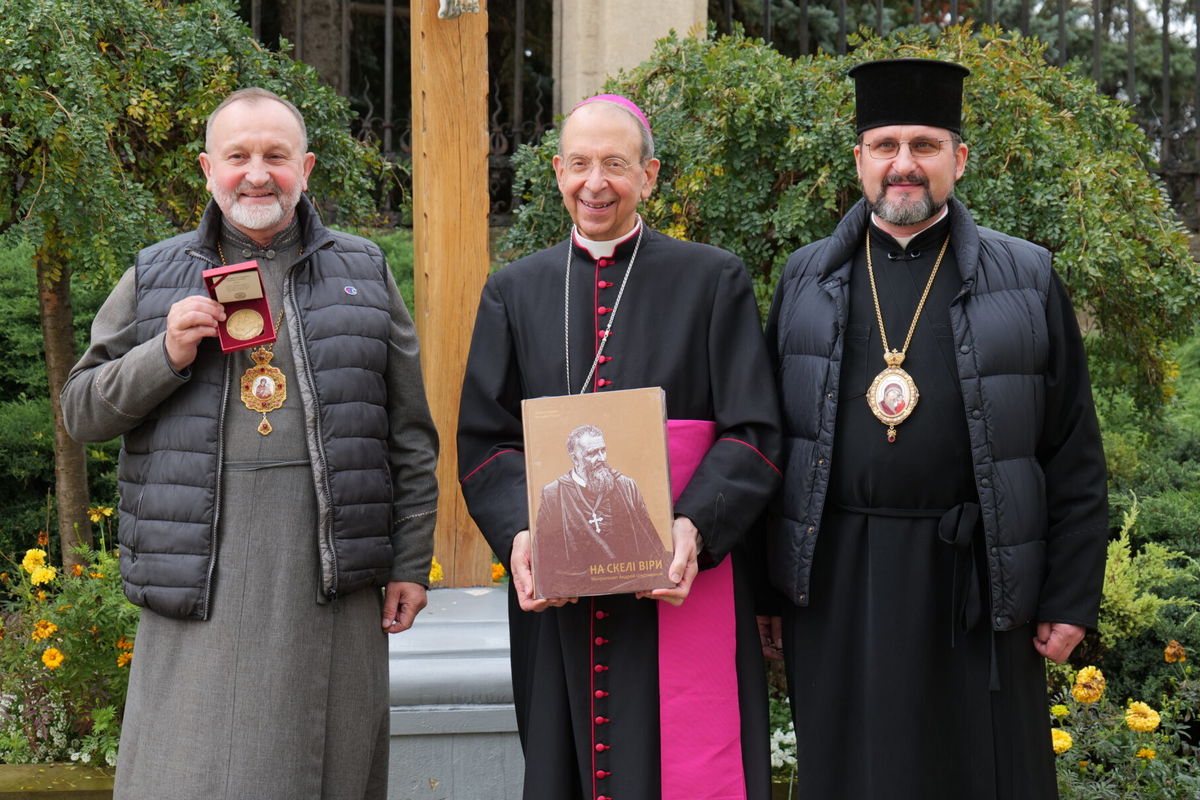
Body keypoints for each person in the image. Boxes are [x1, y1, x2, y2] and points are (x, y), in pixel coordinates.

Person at [60, 87, 439, 800]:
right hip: (203, 588)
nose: (257, 174)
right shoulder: (154, 275)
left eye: (276, 155)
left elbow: (409, 436)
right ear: (208, 169)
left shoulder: (363, 271)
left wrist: (411, 561)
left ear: (308, 167)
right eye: (238, 156)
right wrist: (165, 352)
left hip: (329, 586)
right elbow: (81, 411)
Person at [765, 59, 1109, 799]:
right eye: (885, 144)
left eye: (924, 145)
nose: (903, 165)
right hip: (837, 583)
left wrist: (1070, 595)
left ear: (958, 157)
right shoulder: (803, 279)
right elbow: (773, 445)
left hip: (974, 580)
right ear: (859, 158)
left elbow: (1072, 448)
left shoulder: (1027, 277)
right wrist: (768, 591)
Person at [457, 94, 782, 800]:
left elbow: (754, 434)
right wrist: (519, 532)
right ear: (556, 172)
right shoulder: (514, 292)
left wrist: (694, 527)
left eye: (615, 164)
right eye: (578, 164)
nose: (594, 183)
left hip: (680, 578)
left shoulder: (712, 280)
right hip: (558, 596)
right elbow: (485, 443)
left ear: (651, 175)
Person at [533, 424, 668, 596]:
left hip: (629, 588)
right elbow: (543, 555)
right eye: (592, 453)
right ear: (575, 458)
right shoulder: (553, 494)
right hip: (575, 592)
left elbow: (650, 541)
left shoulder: (626, 486)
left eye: (603, 450)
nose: (601, 458)